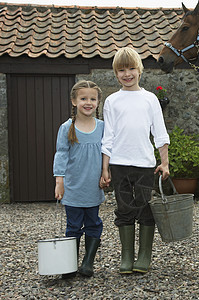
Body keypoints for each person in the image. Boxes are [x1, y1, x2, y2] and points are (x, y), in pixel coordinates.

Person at [100, 47, 170, 274]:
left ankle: (144, 256)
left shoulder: (150, 99)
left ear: (139, 70)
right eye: (121, 70)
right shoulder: (112, 101)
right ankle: (127, 256)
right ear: (116, 73)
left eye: (131, 68)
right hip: (119, 164)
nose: (127, 74)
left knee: (145, 208)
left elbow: (160, 133)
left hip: (144, 164)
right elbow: (108, 137)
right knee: (124, 209)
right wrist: (105, 168)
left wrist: (164, 162)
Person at [53, 80, 105, 278]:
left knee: (93, 223)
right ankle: (68, 264)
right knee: (73, 226)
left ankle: (88, 263)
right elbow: (61, 154)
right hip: (73, 187)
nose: (88, 102)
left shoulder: (102, 127)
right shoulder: (67, 127)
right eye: (83, 98)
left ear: (98, 102)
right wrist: (60, 180)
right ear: (74, 101)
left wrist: (105, 173)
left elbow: (107, 153)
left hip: (93, 186)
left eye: (93, 98)